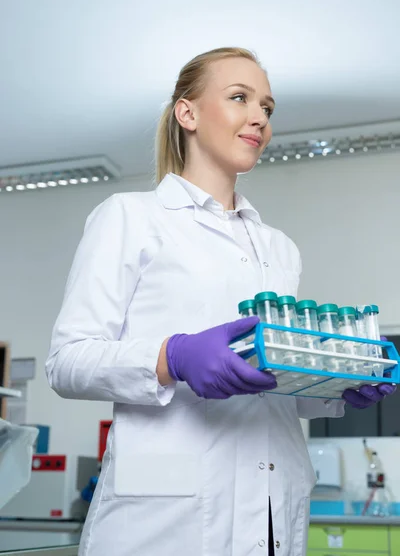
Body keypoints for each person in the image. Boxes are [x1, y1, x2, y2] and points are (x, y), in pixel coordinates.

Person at [46, 47, 395, 556]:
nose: (259, 118)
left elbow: (270, 385)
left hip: (274, 512)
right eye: (239, 98)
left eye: (267, 108)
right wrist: (174, 357)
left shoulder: (279, 248)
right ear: (187, 113)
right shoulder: (130, 217)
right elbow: (67, 361)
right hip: (165, 523)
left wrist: (339, 384)